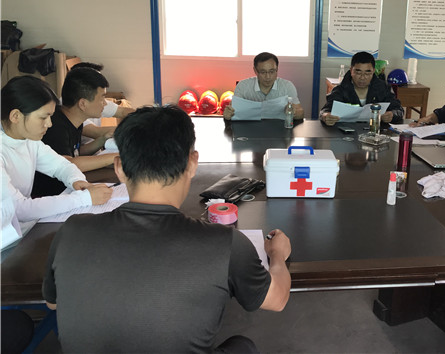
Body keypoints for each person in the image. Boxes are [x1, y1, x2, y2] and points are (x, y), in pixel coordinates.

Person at [43, 105, 292, 353]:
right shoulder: (226, 243)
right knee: (243, 346)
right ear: (193, 163)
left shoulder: (71, 231)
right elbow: (277, 299)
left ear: (119, 168)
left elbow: (53, 304)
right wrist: (277, 254)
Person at [1, 76, 112, 231]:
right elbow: (19, 209)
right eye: (43, 117)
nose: (49, 124)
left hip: (20, 228)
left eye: (50, 116)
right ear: (16, 116)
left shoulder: (28, 139)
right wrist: (83, 198)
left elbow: (61, 166)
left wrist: (77, 181)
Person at [32, 67, 119, 197]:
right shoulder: (55, 125)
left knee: (116, 175)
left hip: (67, 185)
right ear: (82, 104)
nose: (105, 104)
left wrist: (101, 140)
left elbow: (75, 152)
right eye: (102, 98)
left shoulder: (74, 121)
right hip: (53, 194)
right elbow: (68, 162)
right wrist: (114, 157)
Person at [320, 51, 404, 126]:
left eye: (367, 73)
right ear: (351, 70)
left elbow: (399, 110)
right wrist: (326, 116)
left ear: (373, 71)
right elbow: (325, 110)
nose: (362, 77)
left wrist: (392, 114)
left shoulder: (383, 88)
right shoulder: (341, 89)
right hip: (347, 133)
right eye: (358, 72)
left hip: (376, 133)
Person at [223, 52, 304, 120]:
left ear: (277, 69)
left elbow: (301, 113)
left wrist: (294, 112)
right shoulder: (242, 86)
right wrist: (228, 114)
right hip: (249, 129)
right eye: (263, 72)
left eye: (272, 71)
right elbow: (233, 111)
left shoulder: (287, 86)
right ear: (255, 71)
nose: (268, 77)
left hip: (279, 129)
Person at [70, 62, 134, 143]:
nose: (105, 103)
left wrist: (144, 117)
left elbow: (122, 111)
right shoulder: (70, 107)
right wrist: (135, 130)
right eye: (98, 80)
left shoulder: (98, 101)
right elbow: (96, 132)